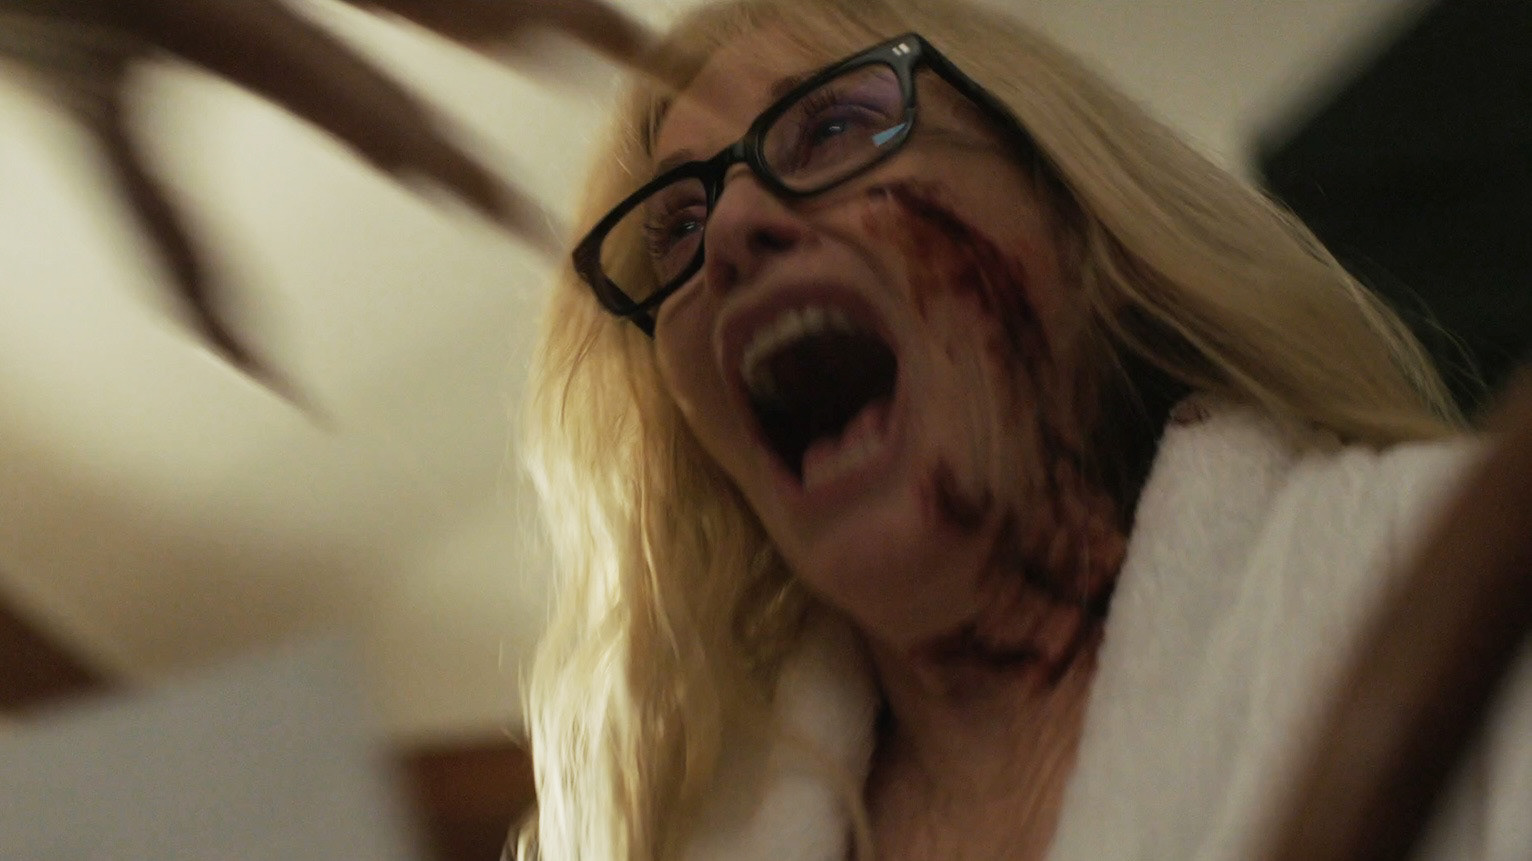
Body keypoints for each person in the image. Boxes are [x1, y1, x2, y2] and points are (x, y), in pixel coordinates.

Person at [519, 0, 1532, 859]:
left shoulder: (1445, 582)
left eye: (832, 126)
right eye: (678, 227)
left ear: (1072, 223)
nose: (732, 228)